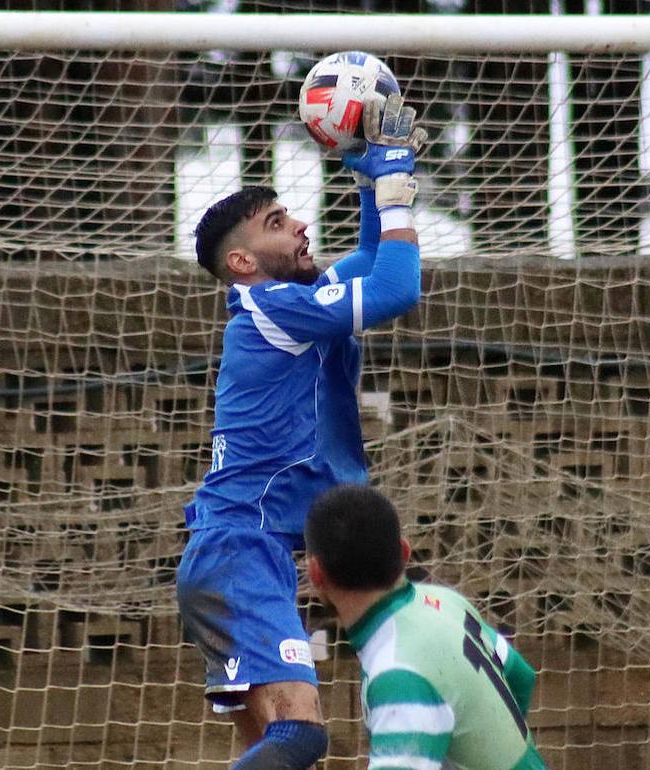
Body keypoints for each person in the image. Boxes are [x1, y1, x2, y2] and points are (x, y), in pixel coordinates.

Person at [177, 94, 428, 770]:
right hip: (241, 553)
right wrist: (397, 176)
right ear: (243, 263)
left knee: (279, 755)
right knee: (302, 736)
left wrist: (370, 170)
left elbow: (377, 257)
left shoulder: (290, 304)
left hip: (231, 553)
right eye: (276, 223)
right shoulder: (275, 309)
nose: (300, 229)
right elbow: (398, 289)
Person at [305, 484, 547, 770]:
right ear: (404, 551)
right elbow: (520, 675)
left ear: (315, 573)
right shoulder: (445, 603)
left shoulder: (397, 672)